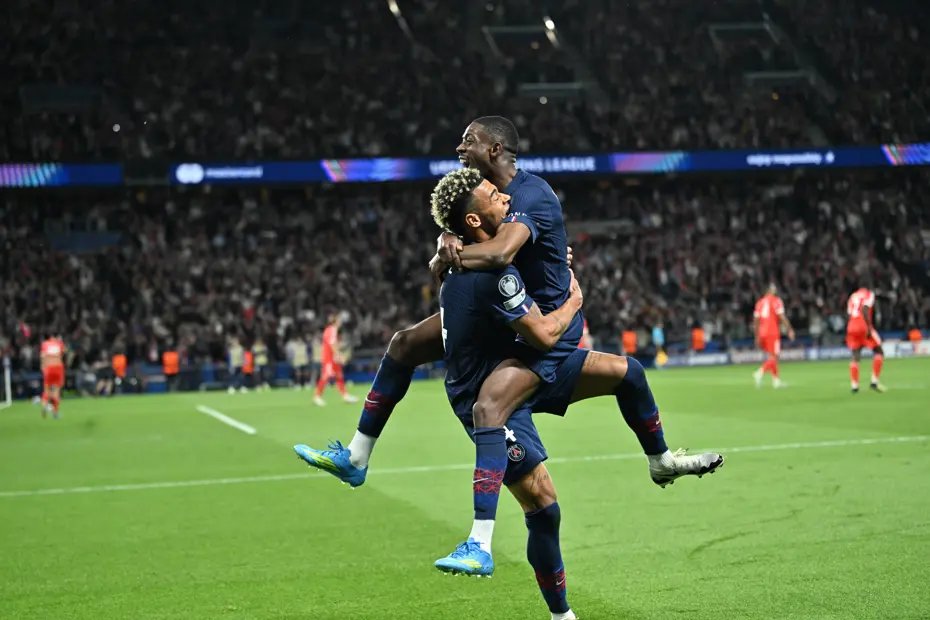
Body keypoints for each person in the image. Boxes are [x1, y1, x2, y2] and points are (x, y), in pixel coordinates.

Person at [294, 116, 708, 491]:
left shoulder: (531, 195)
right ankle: (356, 457)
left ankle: (484, 530)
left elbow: (499, 253)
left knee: (495, 409)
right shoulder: (483, 195)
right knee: (404, 344)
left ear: (493, 149)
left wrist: (447, 255)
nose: (459, 148)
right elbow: (474, 233)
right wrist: (446, 236)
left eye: (468, 140)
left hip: (542, 324)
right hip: (503, 311)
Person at [406, 169, 721, 619]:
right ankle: (542, 597)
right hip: (494, 397)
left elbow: (509, 249)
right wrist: (574, 301)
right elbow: (541, 332)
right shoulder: (481, 270)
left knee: (628, 373)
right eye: (494, 196)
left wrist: (458, 242)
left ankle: (661, 461)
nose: (506, 199)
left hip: (529, 370)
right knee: (544, 505)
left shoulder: (495, 247)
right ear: (474, 221)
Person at [752, 284, 795, 388]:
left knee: (772, 357)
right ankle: (759, 372)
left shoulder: (760, 302)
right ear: (770, 290)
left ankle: (776, 381)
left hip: (762, 332)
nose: (775, 291)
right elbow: (781, 316)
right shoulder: (776, 300)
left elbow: (756, 320)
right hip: (772, 332)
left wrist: (757, 335)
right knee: (774, 357)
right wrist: (789, 329)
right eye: (774, 289)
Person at [313, 313, 359, 405]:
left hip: (332, 358)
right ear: (335, 321)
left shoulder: (329, 330)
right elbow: (332, 344)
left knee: (339, 376)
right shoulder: (332, 330)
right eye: (339, 319)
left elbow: (333, 343)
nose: (340, 321)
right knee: (325, 376)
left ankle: (345, 396)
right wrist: (339, 356)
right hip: (329, 358)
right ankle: (317, 397)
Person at [846, 287, 886, 393]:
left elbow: (849, 313)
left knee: (855, 354)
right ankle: (874, 382)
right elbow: (865, 309)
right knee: (879, 351)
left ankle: (854, 386)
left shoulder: (852, 296)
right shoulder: (869, 294)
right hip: (862, 324)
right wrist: (868, 327)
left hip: (851, 325)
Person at [39, 332, 66, 418]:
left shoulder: (44, 344)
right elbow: (64, 352)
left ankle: (44, 406)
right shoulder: (59, 343)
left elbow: (42, 356)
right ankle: (55, 413)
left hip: (48, 368)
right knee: (56, 391)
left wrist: (42, 367)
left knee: (46, 390)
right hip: (58, 368)